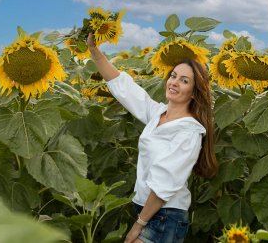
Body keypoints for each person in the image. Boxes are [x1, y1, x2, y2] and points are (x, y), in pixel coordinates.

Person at [87, 33, 218, 243]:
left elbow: (163, 185)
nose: (174, 82)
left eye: (184, 81)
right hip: (147, 210)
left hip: (165, 216)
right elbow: (125, 89)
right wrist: (95, 52)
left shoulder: (188, 132)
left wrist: (138, 224)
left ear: (194, 93)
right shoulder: (158, 113)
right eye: (173, 76)